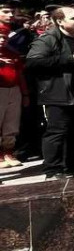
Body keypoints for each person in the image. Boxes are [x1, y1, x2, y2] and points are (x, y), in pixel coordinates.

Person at [26, 6, 74, 177]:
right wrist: (70, 60)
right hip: (58, 92)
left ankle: (73, 165)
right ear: (60, 21)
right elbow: (33, 62)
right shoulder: (48, 38)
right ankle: (53, 169)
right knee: (58, 131)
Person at [0, 22, 29, 166]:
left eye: (4, 37)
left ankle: (8, 151)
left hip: (14, 90)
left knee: (12, 122)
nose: (2, 40)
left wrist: (25, 94)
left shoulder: (12, 53)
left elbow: (21, 75)